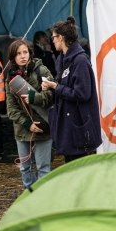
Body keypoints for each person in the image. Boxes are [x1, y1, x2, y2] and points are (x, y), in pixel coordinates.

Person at [41, 16, 102, 163]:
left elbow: (83, 93)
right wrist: (52, 84)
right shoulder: (64, 59)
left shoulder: (80, 61)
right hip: (67, 126)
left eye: (54, 37)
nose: (52, 40)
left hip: (77, 127)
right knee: (70, 166)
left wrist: (57, 87)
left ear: (61, 37)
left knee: (77, 168)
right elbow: (66, 85)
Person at [5, 39, 54, 189]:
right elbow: (11, 109)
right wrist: (27, 124)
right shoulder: (10, 78)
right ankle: (29, 197)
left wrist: (36, 97)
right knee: (25, 168)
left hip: (43, 126)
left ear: (30, 53)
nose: (22, 56)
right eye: (18, 53)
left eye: (25, 52)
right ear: (13, 57)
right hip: (23, 129)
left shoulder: (42, 71)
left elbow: (54, 95)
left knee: (44, 167)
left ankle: (43, 200)